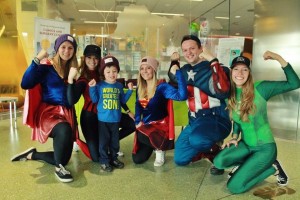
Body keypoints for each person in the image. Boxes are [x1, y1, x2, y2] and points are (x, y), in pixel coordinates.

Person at [213, 51, 300, 194]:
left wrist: (278, 58)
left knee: (234, 187)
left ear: (249, 73)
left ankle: (273, 167)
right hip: (246, 145)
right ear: (231, 72)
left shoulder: (261, 88)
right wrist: (234, 137)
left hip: (264, 148)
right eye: (236, 69)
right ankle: (247, 165)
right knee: (219, 161)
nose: (240, 73)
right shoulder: (229, 95)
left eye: (244, 69)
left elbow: (295, 83)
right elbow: (238, 121)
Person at [11, 34, 79, 183]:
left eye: (70, 48)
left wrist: (72, 80)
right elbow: (26, 83)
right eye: (63, 47)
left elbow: (72, 99)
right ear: (57, 48)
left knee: (63, 158)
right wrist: (36, 59)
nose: (66, 51)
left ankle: (33, 154)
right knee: (63, 129)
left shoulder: (72, 70)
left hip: (67, 113)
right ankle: (59, 169)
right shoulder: (46, 67)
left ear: (74, 51)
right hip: (49, 113)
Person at [168, 35, 231, 174]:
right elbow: (173, 77)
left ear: (201, 49)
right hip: (194, 121)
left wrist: (213, 60)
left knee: (197, 139)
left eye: (192, 48)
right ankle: (207, 149)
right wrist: (174, 62)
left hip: (215, 118)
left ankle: (219, 156)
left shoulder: (213, 68)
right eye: (185, 50)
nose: (188, 52)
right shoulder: (183, 71)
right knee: (180, 158)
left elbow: (223, 91)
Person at [67, 45, 135, 162]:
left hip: (109, 112)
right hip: (90, 117)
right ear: (84, 58)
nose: (92, 61)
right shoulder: (82, 78)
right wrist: (70, 80)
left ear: (99, 59)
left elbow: (116, 94)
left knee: (133, 124)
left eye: (96, 58)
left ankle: (110, 142)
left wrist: (128, 111)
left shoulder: (106, 73)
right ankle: (102, 144)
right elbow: (72, 100)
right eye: (89, 57)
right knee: (96, 157)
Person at [132, 56, 187, 167]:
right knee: (138, 159)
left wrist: (178, 73)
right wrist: (137, 121)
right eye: (142, 68)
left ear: (154, 70)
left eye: (148, 68)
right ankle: (155, 145)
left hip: (161, 127)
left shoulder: (161, 87)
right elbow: (138, 105)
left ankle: (160, 149)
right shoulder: (140, 88)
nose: (144, 71)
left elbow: (182, 96)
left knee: (143, 134)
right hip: (147, 128)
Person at [89, 55, 133, 172]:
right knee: (103, 142)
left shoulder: (119, 86)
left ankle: (113, 159)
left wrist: (130, 91)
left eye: (114, 71)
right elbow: (94, 100)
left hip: (116, 120)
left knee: (114, 142)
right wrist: (92, 88)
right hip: (103, 120)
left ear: (117, 71)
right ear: (103, 73)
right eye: (108, 71)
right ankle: (104, 161)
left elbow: (123, 100)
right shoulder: (99, 85)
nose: (111, 74)